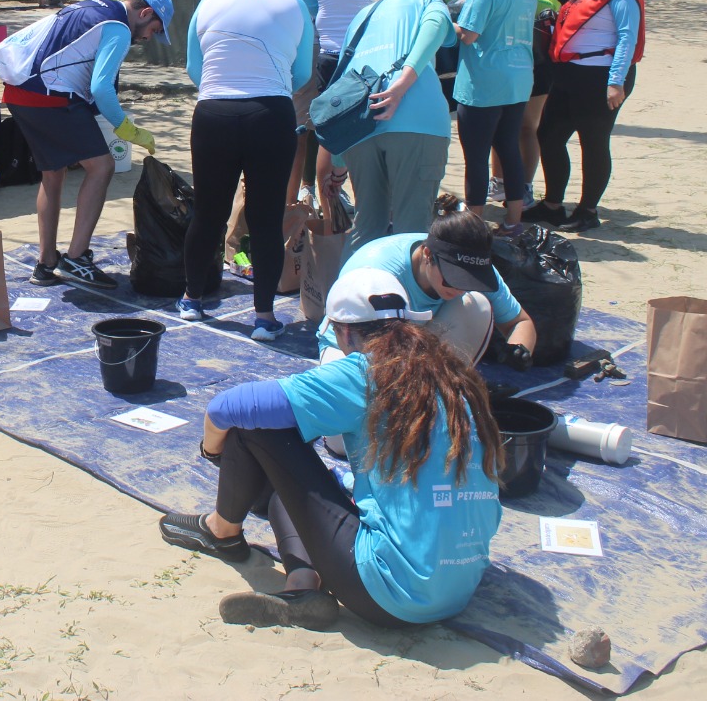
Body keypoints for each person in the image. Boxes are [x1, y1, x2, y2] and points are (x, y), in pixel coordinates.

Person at [156, 268, 503, 631]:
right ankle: (302, 587)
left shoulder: (367, 371)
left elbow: (227, 408)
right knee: (285, 491)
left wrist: (212, 453)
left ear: (347, 332)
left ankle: (221, 532)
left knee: (254, 428)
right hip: (459, 588)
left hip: (389, 594)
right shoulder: (451, 380)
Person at [177, 0, 316, 340]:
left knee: (208, 212)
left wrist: (223, 92)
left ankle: (192, 299)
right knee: (265, 218)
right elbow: (302, 72)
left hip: (214, 114)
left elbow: (193, 66)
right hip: (270, 114)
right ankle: (264, 316)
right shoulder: (294, 4)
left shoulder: (210, 0)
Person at [0, 0, 174, 287]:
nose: (148, 38)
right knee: (102, 167)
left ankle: (46, 262)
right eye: (154, 30)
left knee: (52, 174)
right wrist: (127, 128)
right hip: (51, 97)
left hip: (19, 92)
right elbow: (101, 89)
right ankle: (76, 259)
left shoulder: (91, 6)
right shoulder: (117, 28)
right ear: (144, 14)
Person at [296, 0, 416, 202]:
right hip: (376, 58)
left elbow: (310, 4)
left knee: (330, 132)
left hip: (330, 54)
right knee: (376, 135)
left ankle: (330, 208)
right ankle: (371, 209)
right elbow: (411, 0)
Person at [318, 194, 539, 367]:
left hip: (412, 344)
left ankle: (442, 387)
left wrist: (518, 350)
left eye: (468, 281)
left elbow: (521, 322)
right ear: (427, 255)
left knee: (477, 306)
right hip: (352, 347)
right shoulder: (375, 272)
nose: (460, 288)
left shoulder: (476, 264)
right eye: (453, 278)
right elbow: (357, 343)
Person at [526, 0, 645, 233]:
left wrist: (616, 82)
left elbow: (626, 38)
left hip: (600, 77)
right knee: (548, 135)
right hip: (571, 74)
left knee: (593, 143)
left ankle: (587, 210)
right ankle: (553, 205)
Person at [327, 0, 457, 257]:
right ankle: (406, 298)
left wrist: (338, 161)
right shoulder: (428, 2)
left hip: (361, 125)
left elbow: (342, 83)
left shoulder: (362, 17)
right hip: (420, 122)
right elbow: (434, 30)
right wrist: (403, 83)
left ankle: (349, 296)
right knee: (412, 228)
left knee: (366, 224)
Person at [453, 0, 538, 229]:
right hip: (518, 80)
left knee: (475, 156)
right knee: (508, 149)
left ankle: (474, 222)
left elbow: (469, 34)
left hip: (484, 81)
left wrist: (440, 19)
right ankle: (514, 223)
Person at [278, 0, 351, 201]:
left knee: (305, 118)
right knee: (305, 121)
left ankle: (301, 190)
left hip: (295, 39)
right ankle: (298, 194)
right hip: (310, 42)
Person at [493, 0, 568, 207]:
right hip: (505, 53)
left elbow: (545, 5)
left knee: (526, 125)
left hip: (535, 57)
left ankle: (523, 185)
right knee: (499, 122)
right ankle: (498, 181)